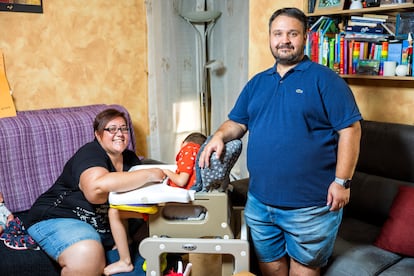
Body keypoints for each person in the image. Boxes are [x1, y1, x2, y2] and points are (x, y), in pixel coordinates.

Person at [198, 7, 362, 276]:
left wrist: (342, 182)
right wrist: (218, 135)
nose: (284, 40)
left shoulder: (326, 80)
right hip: (260, 204)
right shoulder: (258, 83)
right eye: (278, 33)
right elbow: (238, 123)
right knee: (271, 270)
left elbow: (350, 130)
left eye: (292, 33)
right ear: (270, 38)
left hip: (311, 208)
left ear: (304, 37)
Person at [26, 108, 166, 276]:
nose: (119, 133)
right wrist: (149, 173)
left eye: (123, 128)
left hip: (105, 223)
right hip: (60, 216)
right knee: (86, 256)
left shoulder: (130, 159)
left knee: (166, 233)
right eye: (112, 129)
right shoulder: (89, 154)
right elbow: (95, 191)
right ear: (98, 135)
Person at [103, 132, 206, 275]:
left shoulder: (189, 150)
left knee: (114, 212)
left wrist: (165, 171)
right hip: (180, 204)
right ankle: (126, 241)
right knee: (130, 223)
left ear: (184, 143)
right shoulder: (201, 155)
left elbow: (181, 180)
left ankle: (125, 261)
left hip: (174, 207)